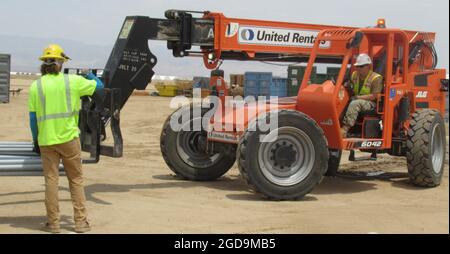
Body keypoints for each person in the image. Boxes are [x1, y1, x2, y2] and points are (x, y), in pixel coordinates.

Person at [28, 44, 104, 233]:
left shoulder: (35, 86)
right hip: (69, 139)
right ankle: (80, 222)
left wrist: (36, 140)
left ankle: (53, 224)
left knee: (51, 181)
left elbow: (32, 118)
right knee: (76, 180)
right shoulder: (73, 81)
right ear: (61, 63)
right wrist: (89, 75)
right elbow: (100, 87)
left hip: (47, 141)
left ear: (44, 63)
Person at [341, 54, 383, 137]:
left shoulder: (376, 78)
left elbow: (374, 96)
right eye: (357, 66)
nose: (358, 68)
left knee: (355, 103)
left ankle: (345, 129)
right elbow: (349, 85)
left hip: (372, 104)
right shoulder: (354, 75)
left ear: (368, 66)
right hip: (357, 99)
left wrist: (357, 97)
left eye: (361, 66)